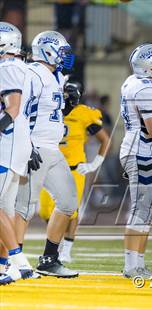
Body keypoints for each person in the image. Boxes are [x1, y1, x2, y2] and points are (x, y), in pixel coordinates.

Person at [13, 30, 79, 278]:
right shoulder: (33, 74)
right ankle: (13, 261)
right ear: (48, 50)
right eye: (61, 51)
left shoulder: (55, 75)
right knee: (24, 208)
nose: (65, 57)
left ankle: (49, 259)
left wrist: (67, 104)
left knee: (68, 202)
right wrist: (26, 146)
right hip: (36, 148)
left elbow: (49, 114)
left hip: (53, 148)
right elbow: (20, 111)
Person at [38, 80, 110, 263]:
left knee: (71, 211)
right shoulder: (50, 111)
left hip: (74, 168)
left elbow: (105, 140)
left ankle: (66, 249)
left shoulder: (84, 114)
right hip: (51, 167)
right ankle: (58, 242)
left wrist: (95, 163)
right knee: (46, 211)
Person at [119, 43, 152, 278]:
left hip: (138, 149)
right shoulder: (148, 88)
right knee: (141, 210)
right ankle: (132, 266)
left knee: (145, 210)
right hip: (144, 151)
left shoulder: (133, 82)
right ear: (149, 65)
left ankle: (138, 264)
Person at [0, 21, 33, 285]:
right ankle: (5, 265)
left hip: (6, 144)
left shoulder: (9, 67)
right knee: (5, 209)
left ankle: (18, 262)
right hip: (17, 144)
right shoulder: (22, 67)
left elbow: (13, 107)